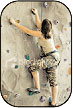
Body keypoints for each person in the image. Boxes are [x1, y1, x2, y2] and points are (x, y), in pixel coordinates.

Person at [10, 8, 60, 106]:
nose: (40, 24)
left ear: (43, 28)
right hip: (54, 57)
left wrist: (15, 23)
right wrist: (36, 14)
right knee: (53, 81)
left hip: (51, 57)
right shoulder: (48, 32)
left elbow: (27, 30)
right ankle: (53, 103)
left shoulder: (41, 34)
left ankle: (37, 88)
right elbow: (39, 24)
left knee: (33, 66)